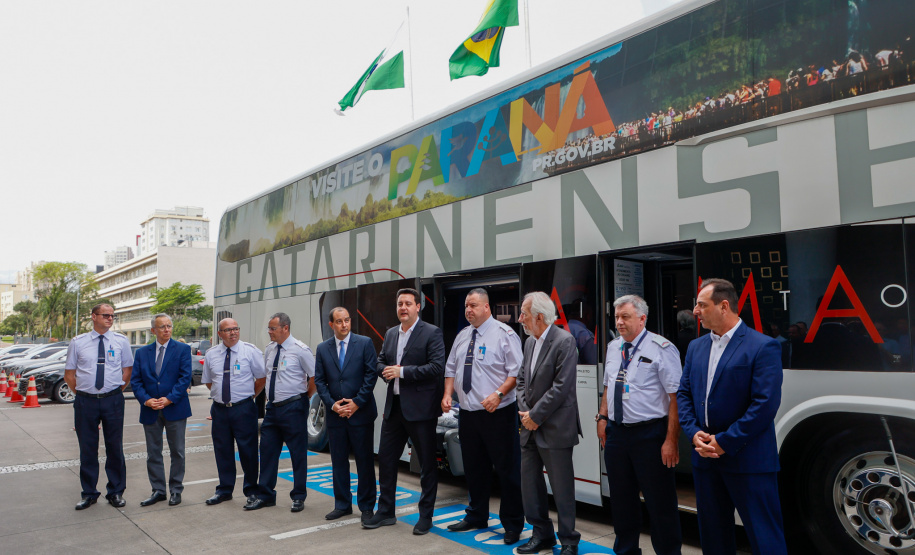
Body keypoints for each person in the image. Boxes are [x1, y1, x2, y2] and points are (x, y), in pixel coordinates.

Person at [677, 278, 787, 555]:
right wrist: (693, 433)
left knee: (765, 536)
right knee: (713, 537)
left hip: (748, 460)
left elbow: (764, 404)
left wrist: (726, 441)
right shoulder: (696, 347)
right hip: (705, 460)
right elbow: (684, 394)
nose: (696, 311)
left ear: (724, 305)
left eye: (702, 304)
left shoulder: (762, 346)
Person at [597, 295, 682, 555]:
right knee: (621, 502)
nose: (619, 322)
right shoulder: (614, 347)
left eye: (626, 317)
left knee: (660, 504)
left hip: (651, 435)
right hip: (617, 434)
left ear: (642, 318)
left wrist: (671, 440)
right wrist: (602, 417)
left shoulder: (662, 348)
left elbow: (675, 397)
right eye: (617, 317)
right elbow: (609, 385)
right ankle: (626, 551)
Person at [441, 288, 524, 545]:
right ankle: (477, 515)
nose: (468, 310)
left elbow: (516, 372)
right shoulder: (463, 335)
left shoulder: (504, 334)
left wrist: (498, 394)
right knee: (474, 468)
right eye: (466, 306)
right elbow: (451, 368)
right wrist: (447, 394)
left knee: (507, 470)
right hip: (468, 414)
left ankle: (512, 524)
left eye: (473, 305)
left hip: (498, 413)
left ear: (487, 307)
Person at [363, 288, 445, 536]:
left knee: (426, 465)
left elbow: (437, 367)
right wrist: (385, 370)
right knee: (387, 462)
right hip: (394, 409)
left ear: (418, 306)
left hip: (421, 411)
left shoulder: (431, 332)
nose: (403, 308)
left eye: (408, 303)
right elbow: (379, 361)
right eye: (400, 303)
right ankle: (386, 512)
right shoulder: (390, 334)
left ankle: (425, 516)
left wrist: (403, 372)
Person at [516, 292, 582, 555]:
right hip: (529, 426)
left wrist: (535, 415)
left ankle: (568, 540)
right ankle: (541, 534)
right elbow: (522, 380)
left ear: (539, 317)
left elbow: (561, 387)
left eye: (524, 314)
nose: (520, 319)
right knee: (530, 486)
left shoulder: (564, 342)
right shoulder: (529, 343)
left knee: (562, 489)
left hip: (555, 428)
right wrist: (526, 413)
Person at [66, 303, 134, 510]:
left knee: (115, 447)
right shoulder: (78, 342)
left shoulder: (121, 341)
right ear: (93, 316)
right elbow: (69, 374)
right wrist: (85, 394)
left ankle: (115, 492)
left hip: (112, 400)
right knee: (87, 448)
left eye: (112, 316)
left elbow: (127, 370)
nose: (110, 319)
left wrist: (112, 392)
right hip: (85, 401)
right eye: (105, 315)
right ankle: (89, 493)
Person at [245, 312, 316, 512]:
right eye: (269, 328)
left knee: (297, 454)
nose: (269, 332)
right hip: (272, 409)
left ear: (285, 328)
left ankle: (299, 496)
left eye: (273, 328)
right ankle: (266, 494)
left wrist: (304, 397)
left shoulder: (300, 350)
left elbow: (314, 377)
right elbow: (267, 376)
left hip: (293, 407)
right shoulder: (269, 350)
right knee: (267, 452)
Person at [314, 307, 379, 524]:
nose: (344, 325)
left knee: (364, 462)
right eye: (339, 321)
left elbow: (371, 375)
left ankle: (367, 507)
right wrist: (333, 406)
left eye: (347, 320)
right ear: (331, 324)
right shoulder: (323, 348)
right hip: (336, 416)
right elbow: (320, 382)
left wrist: (357, 403)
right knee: (338, 461)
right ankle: (342, 504)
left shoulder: (364, 343)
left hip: (360, 414)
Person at [202, 318, 266, 508]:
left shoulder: (250, 351)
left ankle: (252, 491)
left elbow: (261, 378)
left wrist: (247, 397)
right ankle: (224, 490)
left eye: (236, 329)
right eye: (228, 330)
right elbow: (208, 381)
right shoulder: (211, 354)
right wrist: (221, 395)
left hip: (244, 409)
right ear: (220, 333)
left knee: (248, 451)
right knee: (222, 451)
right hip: (220, 410)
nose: (233, 333)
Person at [131, 313, 193, 507]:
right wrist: (147, 400)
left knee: (178, 452)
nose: (167, 330)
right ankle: (158, 490)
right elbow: (136, 381)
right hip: (150, 410)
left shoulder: (182, 349)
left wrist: (169, 399)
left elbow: (185, 378)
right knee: (153, 453)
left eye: (169, 326)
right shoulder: (142, 353)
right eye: (162, 327)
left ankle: (176, 490)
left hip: (175, 408)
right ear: (153, 330)